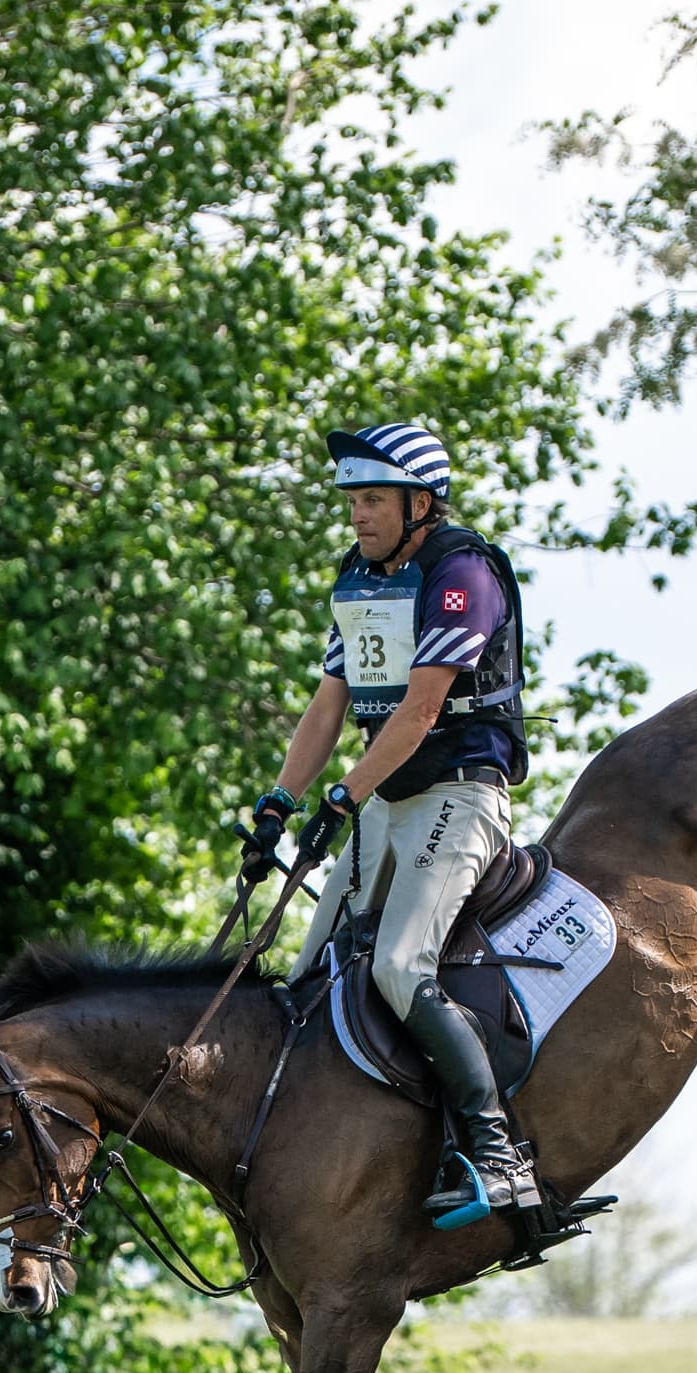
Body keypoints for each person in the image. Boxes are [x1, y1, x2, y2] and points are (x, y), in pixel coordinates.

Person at [243, 421, 543, 1217]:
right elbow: (328, 706)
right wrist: (279, 802)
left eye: (373, 498)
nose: (357, 514)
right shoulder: (359, 576)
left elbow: (419, 712)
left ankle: (497, 1152)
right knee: (306, 978)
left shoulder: (462, 573)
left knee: (399, 965)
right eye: (352, 499)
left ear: (421, 503)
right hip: (387, 796)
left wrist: (342, 797)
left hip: (459, 794)